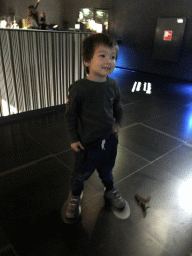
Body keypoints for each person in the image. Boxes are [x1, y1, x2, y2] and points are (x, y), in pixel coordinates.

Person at [64, 33, 128, 220]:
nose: (109, 60)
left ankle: (109, 190)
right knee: (79, 175)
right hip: (86, 144)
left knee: (107, 170)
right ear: (86, 60)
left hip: (109, 141)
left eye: (113, 57)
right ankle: (76, 196)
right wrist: (73, 138)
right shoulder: (78, 88)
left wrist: (118, 124)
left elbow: (118, 107)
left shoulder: (113, 85)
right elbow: (70, 115)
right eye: (102, 55)